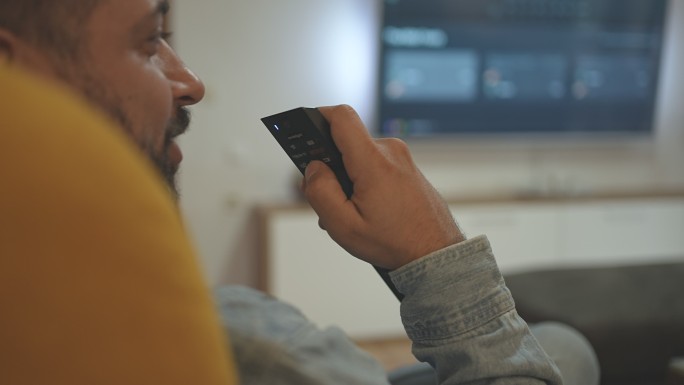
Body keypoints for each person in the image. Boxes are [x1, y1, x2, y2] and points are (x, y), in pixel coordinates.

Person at [0, 0, 599, 384]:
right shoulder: (253, 346)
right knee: (565, 350)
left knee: (562, 342)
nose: (190, 82)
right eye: (147, 40)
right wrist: (433, 254)